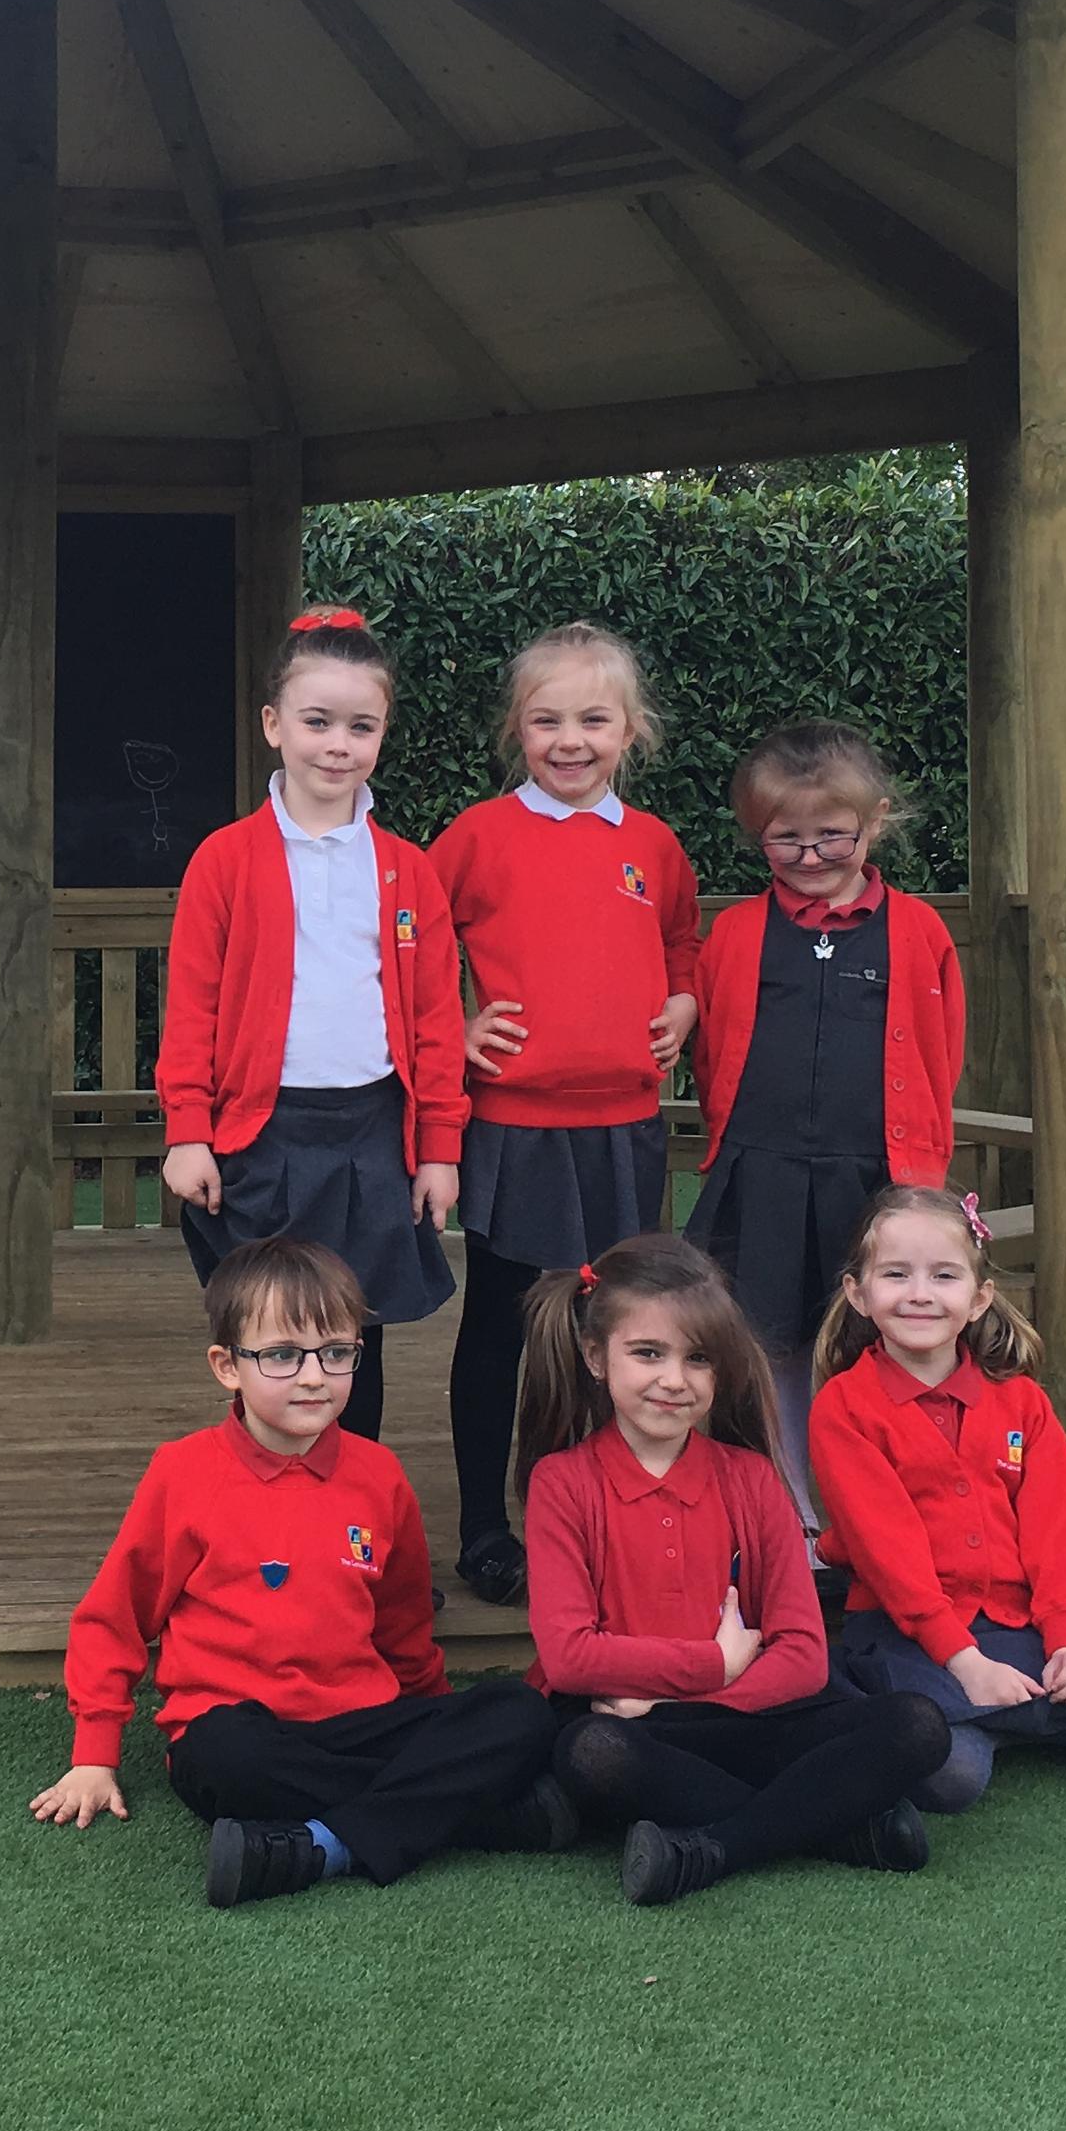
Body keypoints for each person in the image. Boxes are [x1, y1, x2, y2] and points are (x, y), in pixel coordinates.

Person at [30, 1238, 569, 1907]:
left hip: (361, 1723)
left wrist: (439, 1723)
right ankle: (476, 1816)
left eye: (336, 1353)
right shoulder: (182, 1473)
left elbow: (403, 1626)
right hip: (243, 1734)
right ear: (227, 1367)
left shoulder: (380, 1476)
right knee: (226, 1755)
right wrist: (94, 1755)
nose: (314, 1376)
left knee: (520, 1713)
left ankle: (318, 1847)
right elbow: (114, 1617)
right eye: (282, 1355)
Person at [517, 1233, 950, 1906]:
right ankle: (832, 1827)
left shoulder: (751, 1479)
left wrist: (692, 1697)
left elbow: (803, 1654)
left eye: (698, 1359)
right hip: (634, 1730)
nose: (674, 1379)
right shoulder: (562, 1484)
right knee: (592, 1754)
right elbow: (572, 1659)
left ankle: (718, 1847)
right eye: (648, 1353)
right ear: (596, 1358)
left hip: (733, 1714)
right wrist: (711, 1665)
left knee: (918, 1726)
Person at [430, 624, 701, 1606]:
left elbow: (681, 943)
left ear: (633, 731)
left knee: (617, 1326)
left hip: (624, 1125)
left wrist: (685, 1002)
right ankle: (484, 1528)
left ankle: (609, 1514)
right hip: (513, 1123)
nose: (569, 738)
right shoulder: (478, 837)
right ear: (517, 729)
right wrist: (453, 1025)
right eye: (546, 720)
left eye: (594, 718)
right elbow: (408, 938)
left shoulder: (655, 847)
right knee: (502, 1326)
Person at [806, 1188, 1066, 1812]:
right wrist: (966, 1664)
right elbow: (887, 1552)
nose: (920, 1293)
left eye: (944, 1275)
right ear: (858, 1293)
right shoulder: (843, 1408)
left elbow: (1057, 1534)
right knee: (948, 1781)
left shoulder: (1024, 1405)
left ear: (979, 1299)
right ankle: (961, 1711)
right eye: (895, 1274)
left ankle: (1027, 1710)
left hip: (1030, 1627)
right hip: (919, 1635)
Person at [156, 607, 467, 1450]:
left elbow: (437, 1023)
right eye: (317, 721)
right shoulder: (224, 860)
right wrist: (190, 1130)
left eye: (361, 726)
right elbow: (191, 1008)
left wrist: (437, 1148)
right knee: (270, 1343)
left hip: (371, 1139)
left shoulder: (409, 869)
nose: (338, 744)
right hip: (262, 1138)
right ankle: (267, 1525)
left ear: (382, 734)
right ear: (274, 726)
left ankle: (348, 1535)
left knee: (349, 1346)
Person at [684, 719, 965, 1468]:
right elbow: (712, 1052)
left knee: (872, 1346)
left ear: (875, 821)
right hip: (762, 1174)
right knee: (762, 1346)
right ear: (758, 834)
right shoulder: (737, 933)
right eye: (787, 840)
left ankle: (877, 1512)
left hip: (872, 1178)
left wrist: (920, 1180)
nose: (810, 857)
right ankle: (789, 1518)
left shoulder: (919, 931)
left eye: (833, 837)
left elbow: (941, 1052)